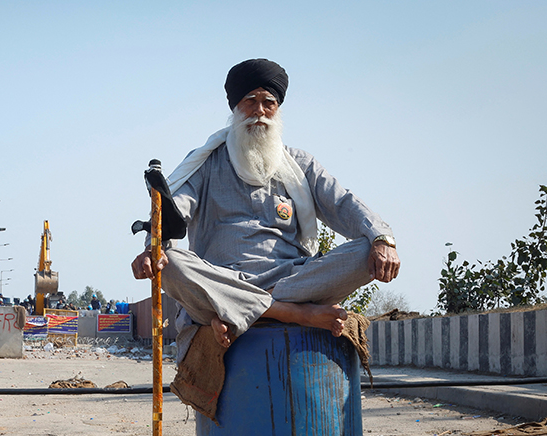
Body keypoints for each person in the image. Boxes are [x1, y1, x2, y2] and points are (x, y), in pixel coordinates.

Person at [131, 59, 400, 393]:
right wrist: (151, 249)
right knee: (170, 265)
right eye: (250, 101)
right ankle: (290, 314)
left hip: (292, 281)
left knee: (365, 251)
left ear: (278, 110)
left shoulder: (300, 164)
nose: (259, 111)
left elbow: (342, 203)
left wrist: (381, 237)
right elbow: (173, 211)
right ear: (235, 109)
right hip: (223, 280)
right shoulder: (207, 163)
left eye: (268, 103)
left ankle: (248, 312)